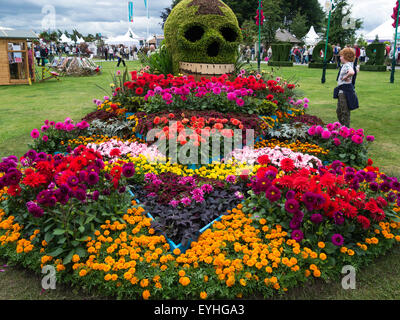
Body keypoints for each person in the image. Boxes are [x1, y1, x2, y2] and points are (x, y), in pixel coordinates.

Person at [334, 48, 359, 128]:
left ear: (346, 57)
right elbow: (355, 70)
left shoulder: (347, 65)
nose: (340, 57)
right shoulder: (349, 64)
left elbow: (352, 72)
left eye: (341, 56)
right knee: (339, 110)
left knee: (344, 111)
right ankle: (342, 126)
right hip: (342, 90)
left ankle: (345, 129)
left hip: (344, 91)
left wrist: (346, 77)